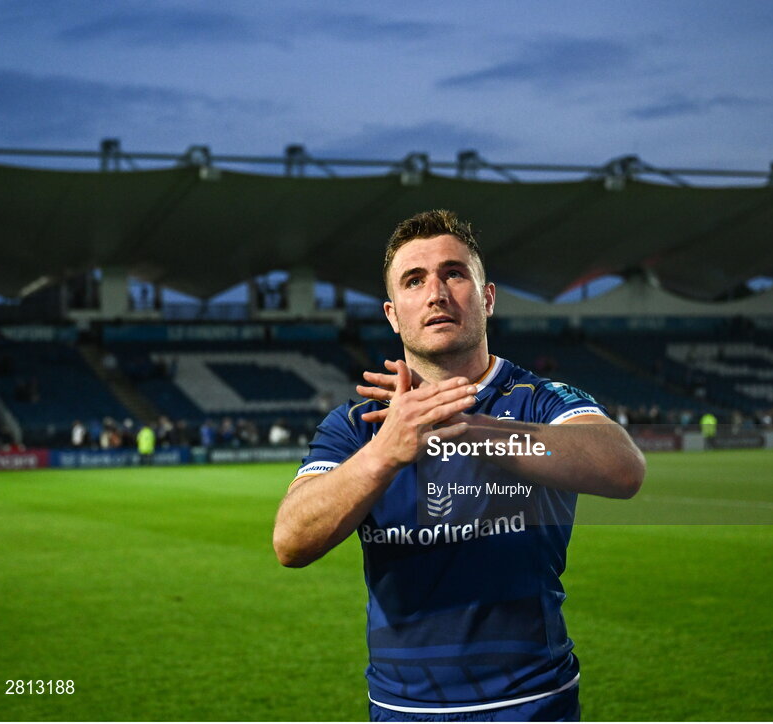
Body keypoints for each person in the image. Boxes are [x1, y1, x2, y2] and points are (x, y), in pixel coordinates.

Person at [273, 210, 645, 722]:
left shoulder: (540, 401)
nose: (436, 292)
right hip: (401, 710)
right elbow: (291, 541)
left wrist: (466, 427)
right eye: (414, 280)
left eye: (454, 273)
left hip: (531, 705)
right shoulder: (358, 426)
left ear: (486, 297)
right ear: (392, 313)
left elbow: (622, 469)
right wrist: (387, 450)